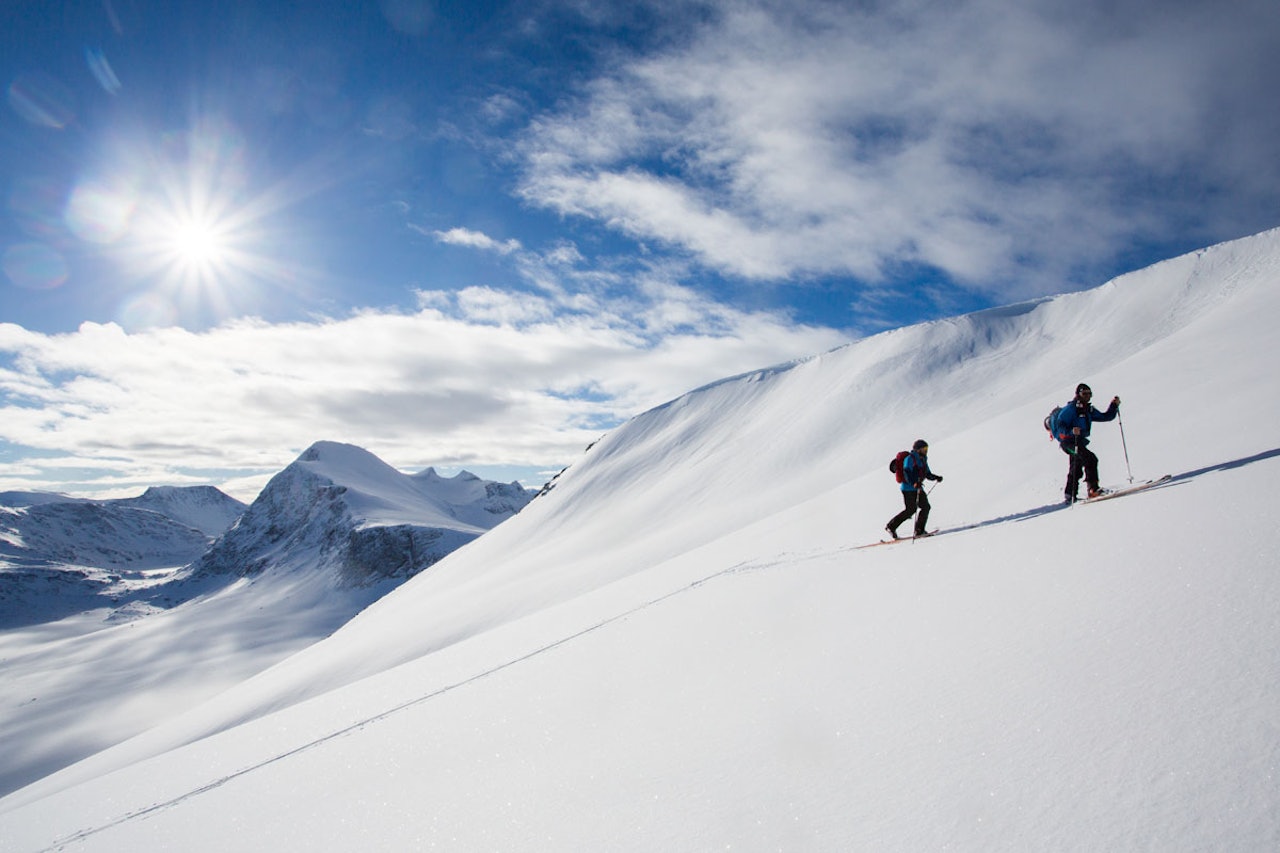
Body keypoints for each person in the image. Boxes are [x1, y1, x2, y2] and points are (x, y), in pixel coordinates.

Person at [1052, 383, 1120, 503]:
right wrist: (1071, 431)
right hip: (1068, 443)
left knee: (1076, 465)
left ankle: (1070, 494)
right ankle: (1093, 489)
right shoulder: (1071, 409)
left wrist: (1113, 406)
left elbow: (1105, 417)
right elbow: (1060, 424)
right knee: (1090, 458)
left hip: (1078, 442)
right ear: (1078, 394)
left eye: (1089, 394)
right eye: (1084, 394)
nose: (1087, 396)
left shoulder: (1088, 409)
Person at [886, 439, 943, 539]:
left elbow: (927, 473)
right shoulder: (910, 459)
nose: (926, 451)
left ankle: (919, 531)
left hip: (918, 488)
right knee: (910, 510)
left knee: (925, 507)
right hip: (908, 489)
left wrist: (936, 477)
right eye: (924, 449)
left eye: (926, 448)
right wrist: (914, 483)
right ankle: (891, 526)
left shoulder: (923, 459)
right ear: (917, 449)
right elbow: (907, 472)